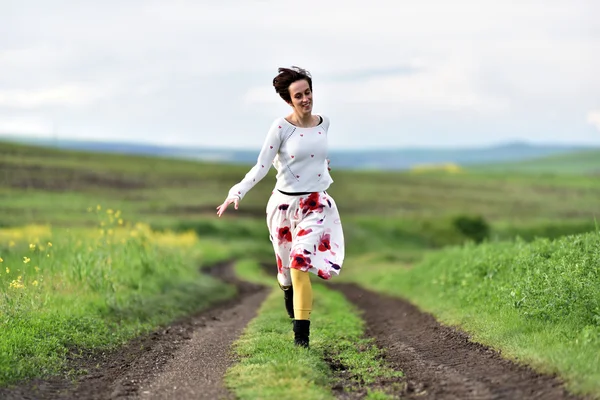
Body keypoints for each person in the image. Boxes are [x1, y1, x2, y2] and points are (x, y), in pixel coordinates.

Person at [216, 66, 345, 348]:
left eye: (308, 92)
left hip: (315, 204)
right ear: (289, 100)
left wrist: (322, 167)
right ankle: (286, 289)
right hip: (285, 208)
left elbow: (316, 155)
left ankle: (302, 340)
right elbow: (262, 165)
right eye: (298, 95)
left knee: (300, 265)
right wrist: (236, 191)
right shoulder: (280, 128)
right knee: (287, 274)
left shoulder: (324, 123)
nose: (305, 99)